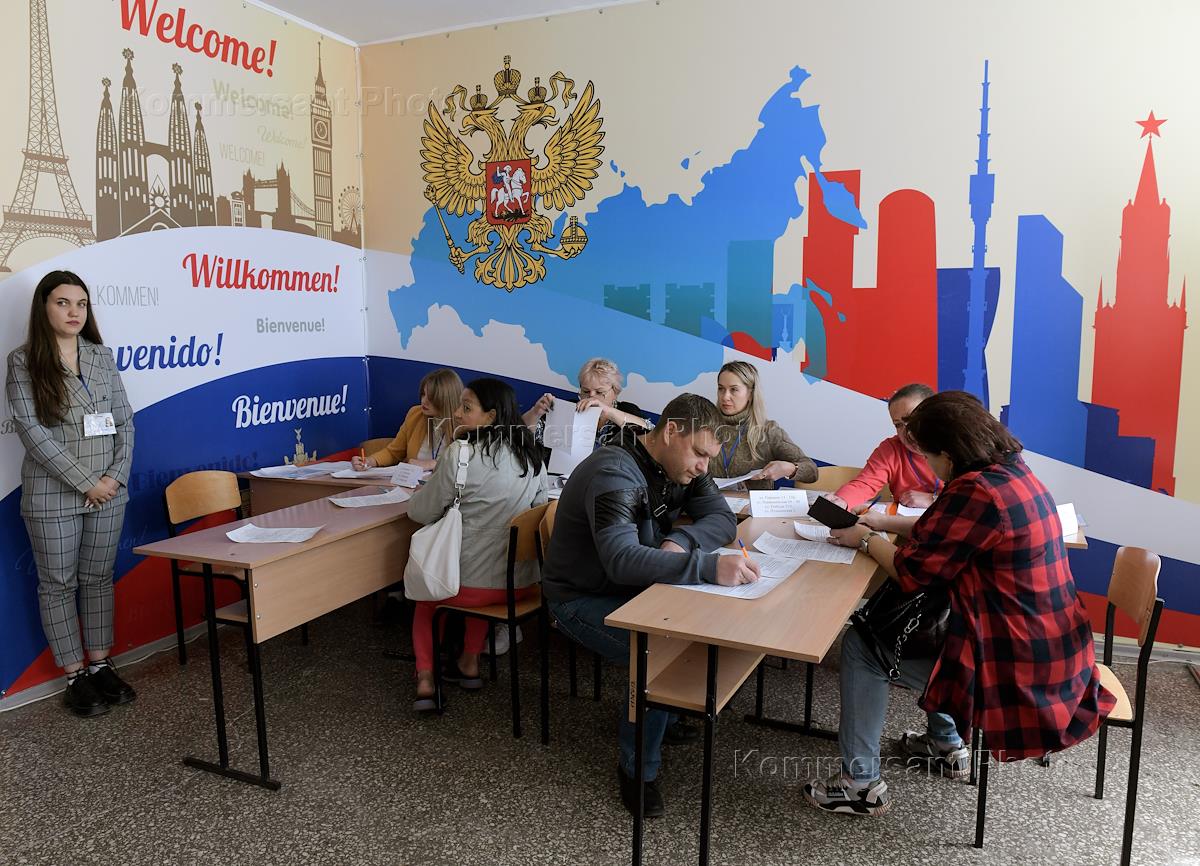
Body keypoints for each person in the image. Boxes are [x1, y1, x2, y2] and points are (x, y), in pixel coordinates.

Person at [803, 391, 1115, 816]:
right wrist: (883, 522)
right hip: (1055, 648)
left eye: (929, 457)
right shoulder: (1011, 472)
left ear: (948, 457)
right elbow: (944, 530)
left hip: (1016, 668)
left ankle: (859, 786)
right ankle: (945, 744)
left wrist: (867, 539)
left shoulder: (976, 491)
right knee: (934, 627)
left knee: (863, 646)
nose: (927, 465)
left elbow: (912, 573)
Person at [543, 393, 761, 817]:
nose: (703, 467)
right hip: (579, 597)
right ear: (671, 431)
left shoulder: (682, 466)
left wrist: (681, 539)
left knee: (685, 623)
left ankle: (664, 711)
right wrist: (708, 566)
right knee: (658, 650)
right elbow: (622, 560)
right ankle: (637, 770)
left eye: (709, 457)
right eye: (699, 454)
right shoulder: (614, 471)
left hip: (632, 587)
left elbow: (722, 519)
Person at [5, 271, 136, 717]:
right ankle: (75, 676)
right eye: (63, 303)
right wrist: (87, 483)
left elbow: (125, 421)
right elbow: (32, 433)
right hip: (53, 495)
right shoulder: (23, 361)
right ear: (44, 307)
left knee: (98, 578)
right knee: (58, 584)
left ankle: (100, 664)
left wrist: (113, 478)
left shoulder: (101, 355)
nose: (74, 311)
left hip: (109, 492)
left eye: (81, 303)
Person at [405, 378, 548, 712]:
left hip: (469, 588)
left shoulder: (461, 453)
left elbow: (421, 512)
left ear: (491, 416)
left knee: (427, 597)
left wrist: (418, 496)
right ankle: (469, 662)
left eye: (466, 407)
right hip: (521, 586)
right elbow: (539, 512)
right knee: (482, 572)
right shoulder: (532, 456)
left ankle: (425, 677)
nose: (456, 413)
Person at [823, 383, 940, 514]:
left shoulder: (955, 445)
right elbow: (865, 484)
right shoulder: (891, 449)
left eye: (912, 419)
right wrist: (842, 501)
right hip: (902, 524)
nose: (907, 431)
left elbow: (960, 498)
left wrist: (933, 499)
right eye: (898, 425)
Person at [712, 360, 816, 489]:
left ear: (750, 394)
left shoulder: (768, 431)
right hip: (707, 501)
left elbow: (812, 471)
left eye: (734, 390)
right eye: (721, 389)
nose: (725, 397)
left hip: (750, 502)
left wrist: (789, 468)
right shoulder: (704, 426)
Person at [523, 357, 651, 450]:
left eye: (599, 392)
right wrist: (535, 412)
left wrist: (608, 412)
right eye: (585, 391)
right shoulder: (570, 408)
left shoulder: (627, 410)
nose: (591, 396)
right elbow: (524, 433)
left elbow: (650, 432)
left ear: (615, 392)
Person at [352, 368, 462, 472]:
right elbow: (394, 452)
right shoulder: (415, 414)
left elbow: (466, 464)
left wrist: (433, 464)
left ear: (446, 399)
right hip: (413, 482)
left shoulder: (463, 424)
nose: (424, 401)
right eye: (423, 394)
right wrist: (370, 461)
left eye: (431, 398)